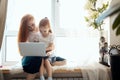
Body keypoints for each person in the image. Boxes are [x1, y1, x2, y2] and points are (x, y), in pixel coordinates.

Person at [18, 14, 42, 80]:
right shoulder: (25, 34)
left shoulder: (41, 31)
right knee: (34, 59)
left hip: (38, 58)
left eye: (33, 24)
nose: (31, 27)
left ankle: (30, 77)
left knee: (37, 58)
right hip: (28, 59)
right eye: (28, 27)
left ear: (35, 22)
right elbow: (22, 53)